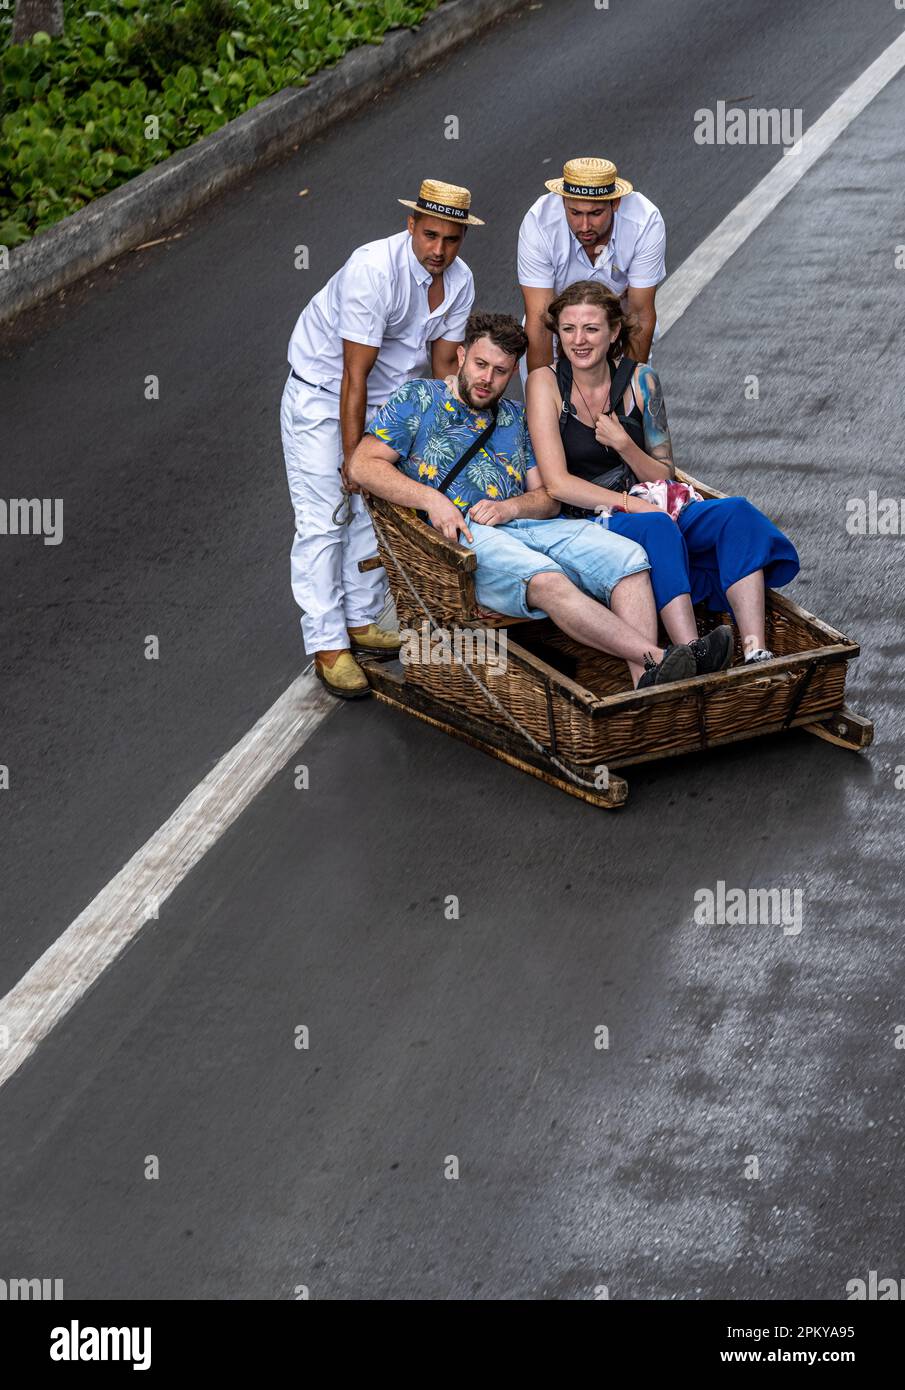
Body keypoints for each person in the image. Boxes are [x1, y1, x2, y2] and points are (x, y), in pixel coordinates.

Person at [348, 312, 732, 690]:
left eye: (500, 371)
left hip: (529, 525)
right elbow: (362, 465)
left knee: (630, 562)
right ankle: (659, 661)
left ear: (513, 372)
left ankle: (643, 687)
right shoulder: (419, 398)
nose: (487, 379)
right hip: (463, 537)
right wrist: (432, 500)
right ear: (461, 356)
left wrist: (510, 508)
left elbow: (548, 500)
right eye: (480, 364)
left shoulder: (515, 417)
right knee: (547, 578)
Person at [526, 281, 800, 663]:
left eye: (591, 329)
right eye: (569, 329)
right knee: (656, 527)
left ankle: (755, 648)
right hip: (589, 515)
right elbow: (557, 484)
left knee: (736, 513)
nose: (579, 340)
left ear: (614, 331)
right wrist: (628, 505)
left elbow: (664, 473)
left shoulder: (642, 380)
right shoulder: (545, 383)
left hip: (651, 500)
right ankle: (692, 653)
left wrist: (624, 444)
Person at [280, 179, 479, 699]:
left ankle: (361, 619)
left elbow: (441, 369)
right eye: (430, 235)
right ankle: (327, 642)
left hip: (393, 400)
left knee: (379, 508)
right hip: (326, 394)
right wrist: (353, 459)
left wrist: (441, 449)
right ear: (410, 225)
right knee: (325, 516)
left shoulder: (460, 280)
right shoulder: (373, 270)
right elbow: (354, 375)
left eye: (451, 239)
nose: (439, 251)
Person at [518, 156, 665, 378]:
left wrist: (627, 393)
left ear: (615, 203)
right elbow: (540, 321)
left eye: (595, 213)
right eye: (575, 213)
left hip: (619, 327)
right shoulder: (539, 223)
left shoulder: (645, 221)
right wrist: (544, 397)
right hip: (558, 329)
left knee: (625, 405)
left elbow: (639, 315)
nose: (584, 226)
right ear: (563, 201)